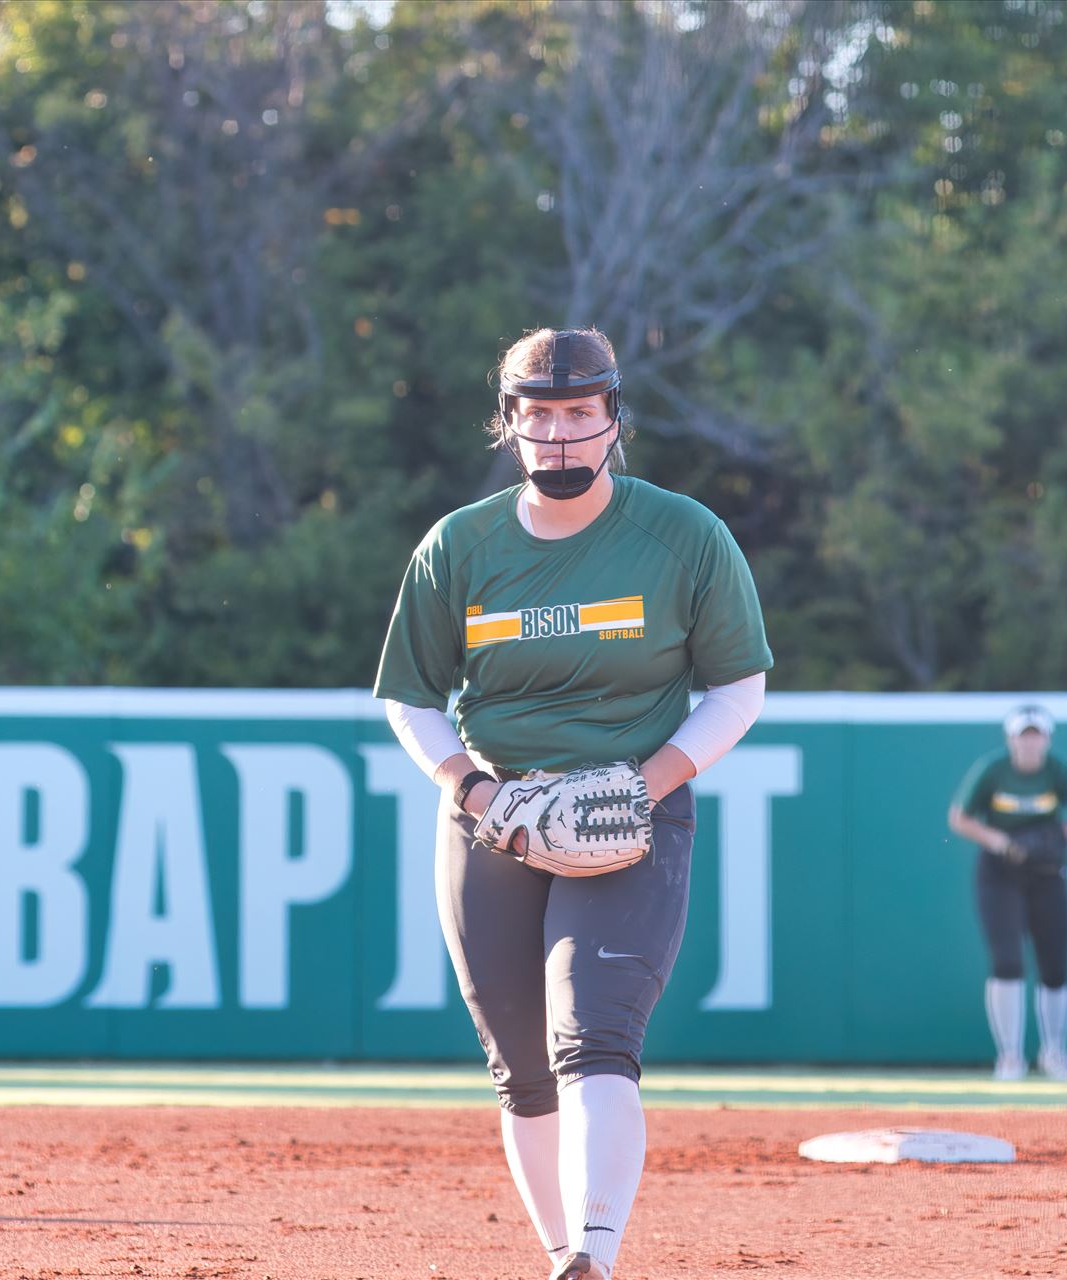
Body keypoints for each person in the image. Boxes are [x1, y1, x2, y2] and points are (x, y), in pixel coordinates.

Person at [374, 327, 773, 1280]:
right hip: (494, 818)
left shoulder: (684, 535)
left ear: (613, 421)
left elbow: (738, 689)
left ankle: (596, 1250)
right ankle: (562, 1255)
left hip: (632, 817)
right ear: (508, 425)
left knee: (596, 1036)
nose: (559, 437)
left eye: (579, 414)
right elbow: (410, 697)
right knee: (521, 1062)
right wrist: (477, 792)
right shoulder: (458, 546)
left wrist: (644, 786)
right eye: (539, 416)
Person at [947, 705, 1067, 1081]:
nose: (1030, 742)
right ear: (1011, 739)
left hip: (1047, 873)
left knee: (1054, 965)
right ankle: (1010, 1057)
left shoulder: (1059, 771)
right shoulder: (993, 769)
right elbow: (959, 817)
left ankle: (1054, 1053)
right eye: (1024, 735)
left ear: (1047, 739)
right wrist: (1000, 841)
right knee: (1007, 961)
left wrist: (1051, 836)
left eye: (1037, 735)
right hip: (999, 873)